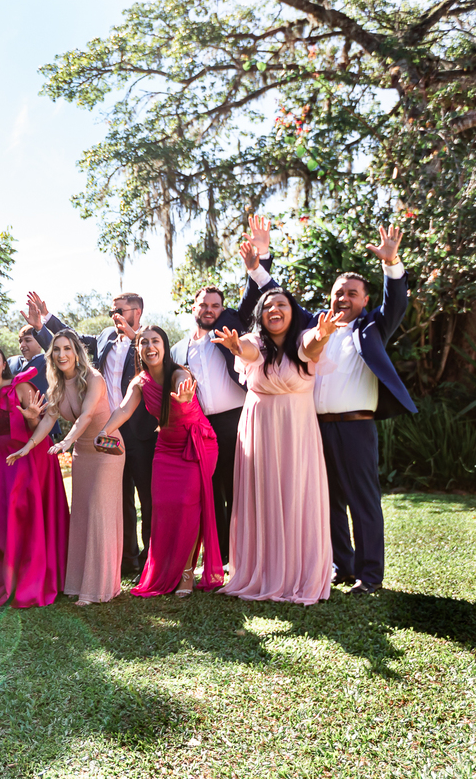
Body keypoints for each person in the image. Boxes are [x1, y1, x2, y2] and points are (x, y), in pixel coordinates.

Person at [241, 220, 416, 594]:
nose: (344, 299)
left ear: (364, 300)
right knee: (328, 499)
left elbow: (397, 302)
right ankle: (343, 566)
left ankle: (371, 577)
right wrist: (259, 264)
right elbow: (277, 299)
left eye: (352, 293)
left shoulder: (373, 326)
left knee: (362, 500)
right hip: (315, 426)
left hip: (355, 426)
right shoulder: (312, 323)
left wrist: (391, 264)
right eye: (339, 292)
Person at [212, 289, 343, 605]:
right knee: (264, 496)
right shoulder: (255, 342)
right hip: (260, 428)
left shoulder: (304, 338)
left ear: (292, 311)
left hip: (297, 429)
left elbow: (311, 348)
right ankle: (263, 571)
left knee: (298, 494)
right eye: (267, 305)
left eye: (281, 304)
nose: (274, 309)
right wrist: (234, 345)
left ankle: (299, 572)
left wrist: (323, 336)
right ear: (260, 314)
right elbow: (247, 351)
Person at [27, 291, 157, 576]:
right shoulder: (106, 338)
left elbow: (158, 369)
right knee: (117, 499)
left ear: (137, 311)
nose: (115, 314)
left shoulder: (150, 341)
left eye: (121, 309)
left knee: (148, 499)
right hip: (106, 431)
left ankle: (152, 562)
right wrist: (45, 322)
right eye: (113, 309)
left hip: (141, 432)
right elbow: (69, 344)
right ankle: (126, 559)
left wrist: (138, 338)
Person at [99, 327, 223, 597]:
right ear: (138, 349)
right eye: (144, 342)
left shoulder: (178, 374)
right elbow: (123, 409)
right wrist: (104, 431)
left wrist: (184, 398)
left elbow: (183, 384)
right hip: (166, 447)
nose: (150, 346)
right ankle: (168, 569)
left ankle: (188, 575)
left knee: (188, 507)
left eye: (155, 341)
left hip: (196, 444)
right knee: (164, 509)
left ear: (165, 347)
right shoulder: (140, 382)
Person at [16, 330, 123, 605]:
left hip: (105, 450)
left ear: (76, 352)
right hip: (81, 454)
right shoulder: (58, 386)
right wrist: (27, 447)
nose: (62, 354)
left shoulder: (94, 379)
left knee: (99, 511)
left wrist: (66, 441)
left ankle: (100, 587)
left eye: (67, 349)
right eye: (57, 350)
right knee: (83, 515)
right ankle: (78, 583)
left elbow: (87, 414)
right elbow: (48, 419)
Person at [0, 346, 68, 607]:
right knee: (0, 515)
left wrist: (31, 418)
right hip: (1, 458)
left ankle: (36, 577)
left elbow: (40, 424)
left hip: (32, 452)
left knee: (29, 511)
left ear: (3, 364)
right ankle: (6, 574)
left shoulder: (22, 387)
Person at [170, 279, 261, 566]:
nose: (209, 310)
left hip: (237, 420)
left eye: (215, 306)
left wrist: (257, 267)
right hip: (202, 427)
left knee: (240, 488)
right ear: (193, 307)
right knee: (212, 492)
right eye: (204, 305)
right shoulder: (178, 351)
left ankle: (245, 553)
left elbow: (251, 298)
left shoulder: (227, 336)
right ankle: (220, 555)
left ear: (223, 310)